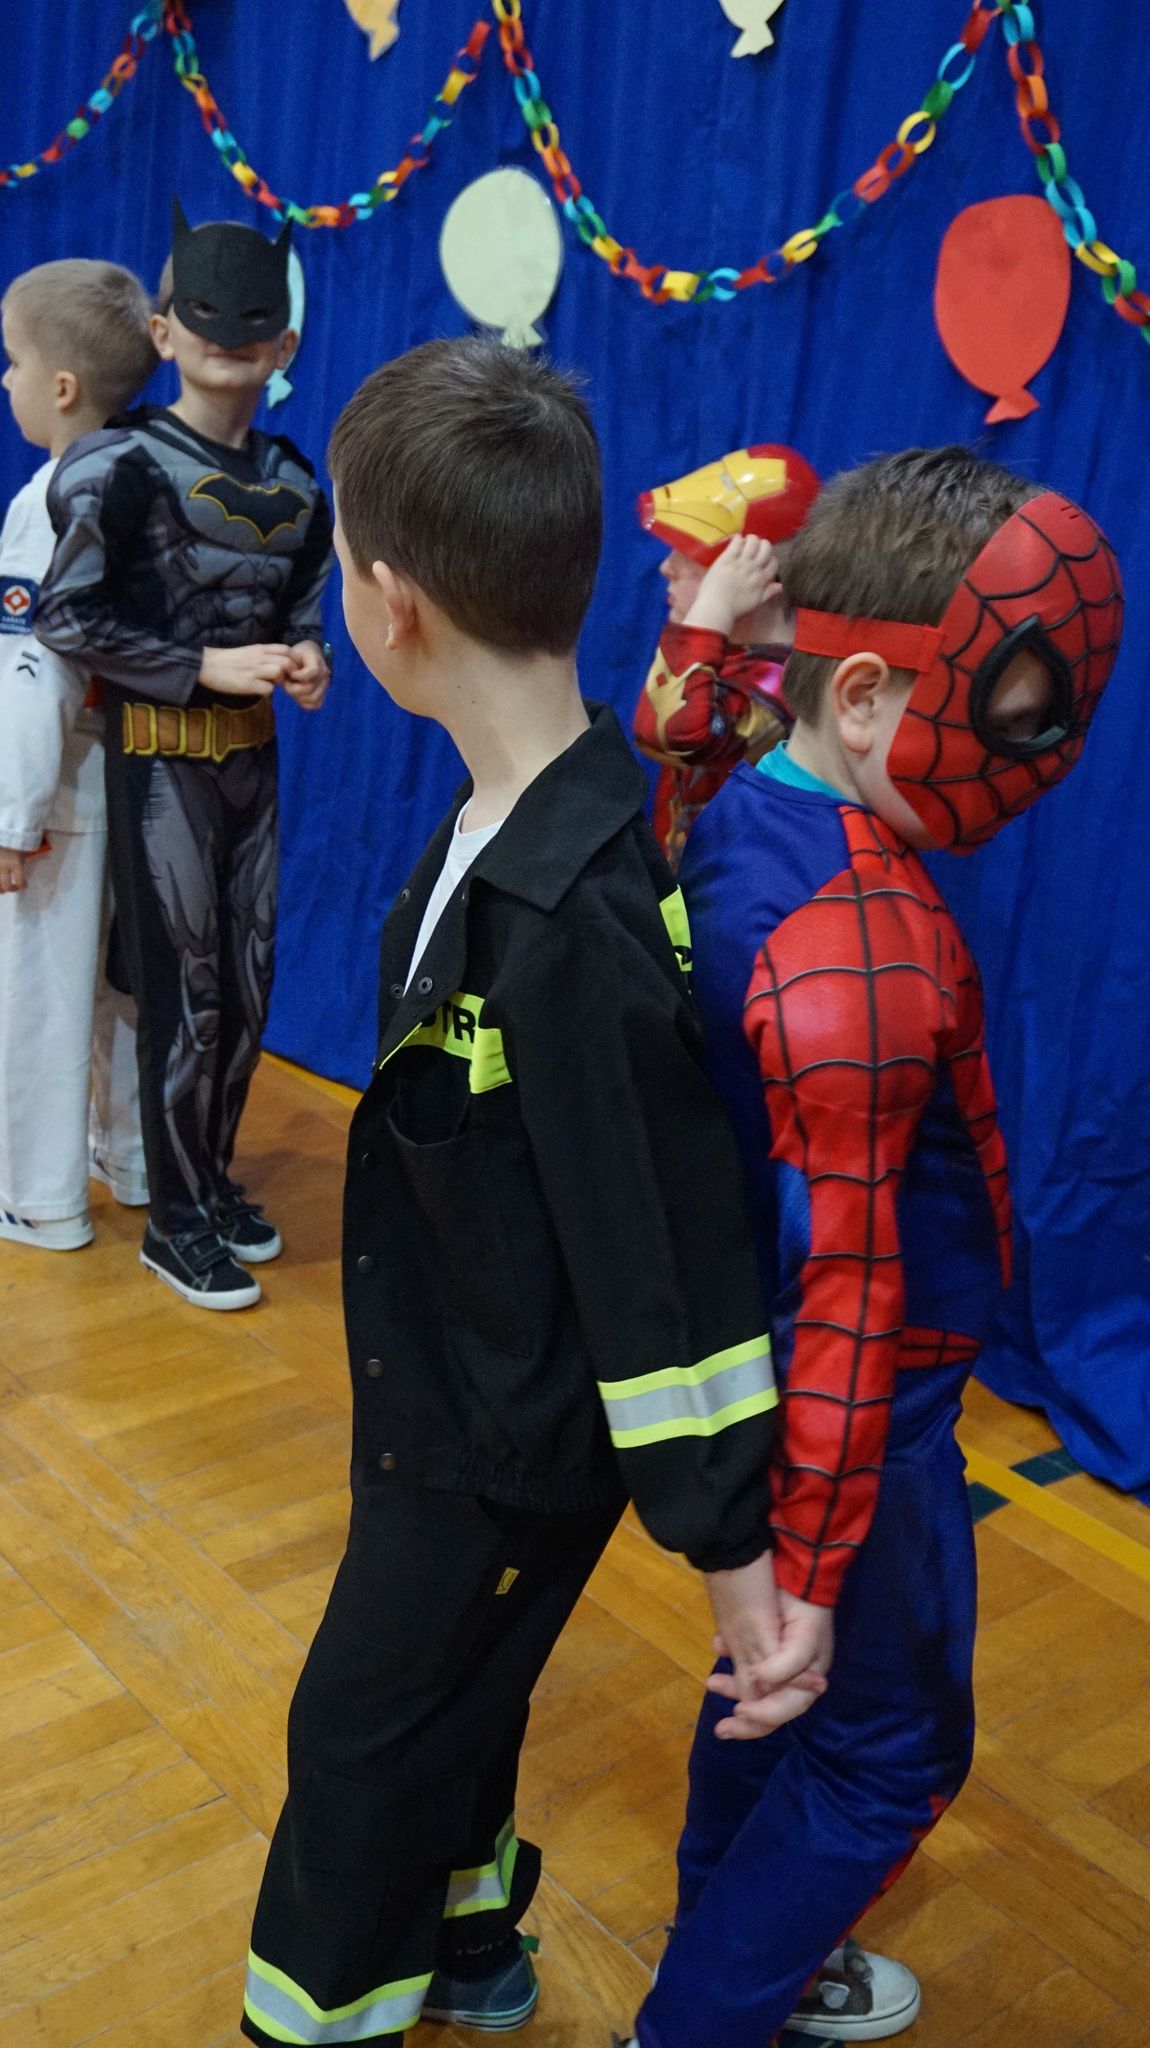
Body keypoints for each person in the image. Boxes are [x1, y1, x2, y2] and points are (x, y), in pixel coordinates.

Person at [239, 337, 810, 2048]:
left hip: (499, 1449)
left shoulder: (576, 915)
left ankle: (315, 2015)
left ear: (391, 606)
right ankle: (473, 1942)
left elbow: (660, 1250)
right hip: (447, 1389)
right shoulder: (502, 819)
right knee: (463, 1695)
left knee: (357, 1736)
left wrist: (729, 1548)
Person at [618, 448, 1124, 2048]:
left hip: (756, 1366)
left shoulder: (736, 798)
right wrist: (807, 1567)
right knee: (890, 1750)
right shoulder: (859, 944)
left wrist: (706, 625)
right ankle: (699, 2018)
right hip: (860, 1412)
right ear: (856, 696)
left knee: (774, 1713)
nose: (1035, 761)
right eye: (1007, 717)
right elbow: (848, 1293)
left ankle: (730, 1947)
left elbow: (679, 727)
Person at [35, 201, 333, 1310]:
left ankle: (206, 1183)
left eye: (253, 322)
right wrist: (200, 665)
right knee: (186, 988)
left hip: (252, 765)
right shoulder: (117, 466)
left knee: (246, 987)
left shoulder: (296, 479)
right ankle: (172, 1218)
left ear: (284, 343)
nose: (229, 339)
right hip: (159, 761)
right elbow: (66, 616)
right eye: (206, 317)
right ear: (163, 332)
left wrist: (309, 654)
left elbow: (302, 598)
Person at [0, 259, 154, 1251]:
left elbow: (33, 675)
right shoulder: (149, 481)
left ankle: (40, 1197)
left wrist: (10, 818)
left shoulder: (47, 501)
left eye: (12, 361)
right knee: (125, 986)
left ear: (61, 387)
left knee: (43, 994)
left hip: (58, 788)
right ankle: (132, 1157)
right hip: (141, 781)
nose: (4, 380)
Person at [633, 444, 819, 867]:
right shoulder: (727, 653)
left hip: (736, 895)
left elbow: (669, 732)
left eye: (692, 557)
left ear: (757, 576)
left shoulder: (782, 684)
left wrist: (710, 609)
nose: (666, 567)